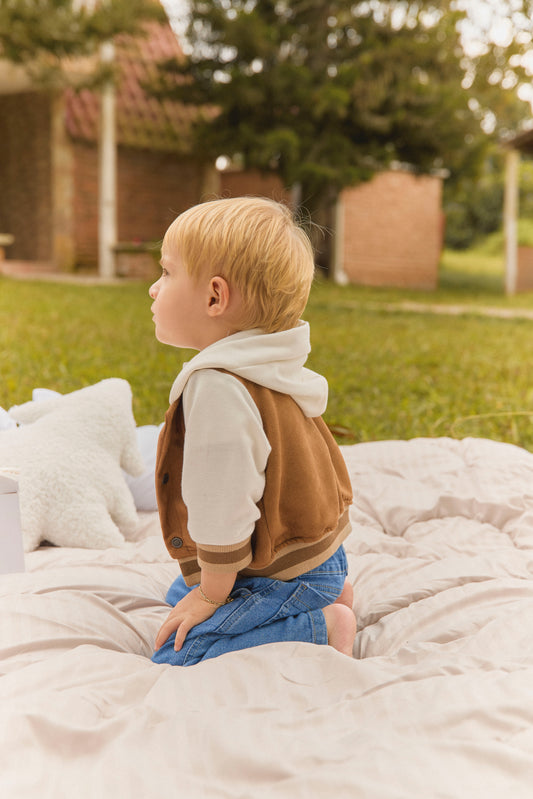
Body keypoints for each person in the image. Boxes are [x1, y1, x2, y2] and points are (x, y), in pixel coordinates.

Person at [149, 196, 357, 667]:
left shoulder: (218, 388)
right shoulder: (269, 363)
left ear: (214, 297)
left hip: (277, 572)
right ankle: (328, 591)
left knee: (176, 651)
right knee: (175, 592)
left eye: (166, 272)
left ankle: (321, 627)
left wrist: (212, 595)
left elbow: (224, 504)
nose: (153, 289)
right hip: (316, 554)